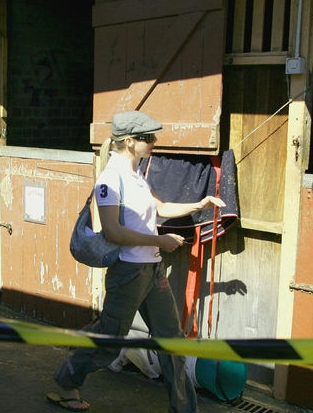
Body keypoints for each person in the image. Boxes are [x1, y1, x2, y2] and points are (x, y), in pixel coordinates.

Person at [46, 110, 226, 413]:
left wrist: (201, 202)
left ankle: (184, 409)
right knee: (110, 339)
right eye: (148, 138)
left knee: (172, 342)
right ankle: (66, 384)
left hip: (153, 271)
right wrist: (160, 241)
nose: (154, 141)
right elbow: (114, 231)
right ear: (130, 141)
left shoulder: (136, 176)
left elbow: (162, 207)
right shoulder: (110, 180)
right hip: (128, 272)